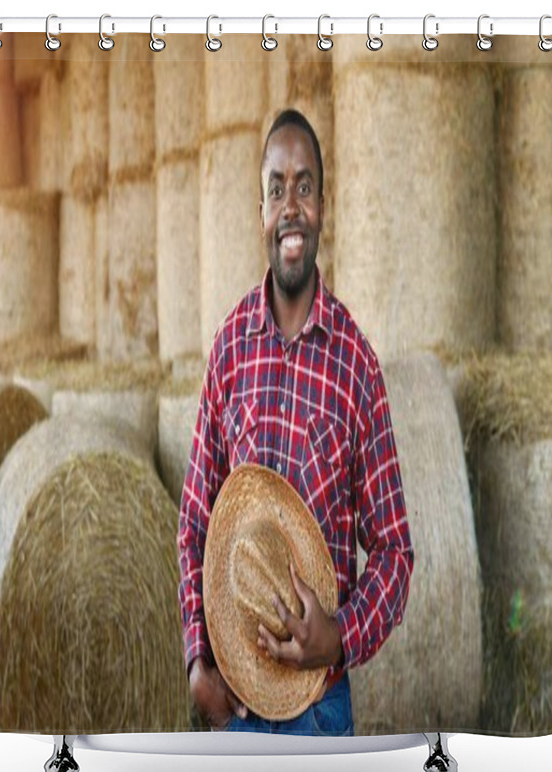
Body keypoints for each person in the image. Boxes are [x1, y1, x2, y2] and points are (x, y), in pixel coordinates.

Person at [177, 108, 413, 736]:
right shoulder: (229, 348)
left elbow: (394, 551)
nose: (291, 206)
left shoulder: (357, 363)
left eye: (304, 187)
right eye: (277, 188)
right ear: (260, 210)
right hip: (236, 709)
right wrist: (199, 657)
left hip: (321, 711)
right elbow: (196, 520)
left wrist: (338, 637)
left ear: (323, 207)